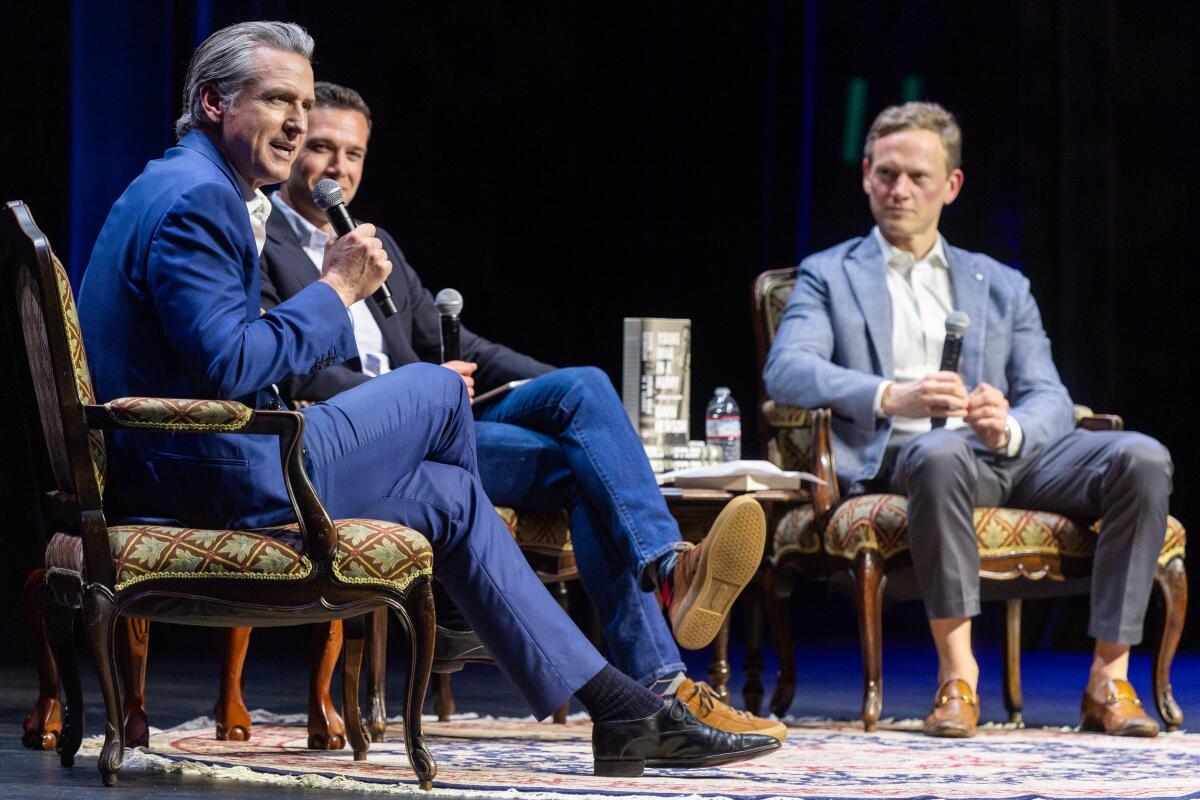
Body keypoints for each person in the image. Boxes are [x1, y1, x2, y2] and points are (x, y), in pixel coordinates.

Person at [77, 20, 779, 775]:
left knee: (449, 492)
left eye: (303, 103)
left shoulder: (189, 183)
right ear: (214, 103)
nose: (296, 122)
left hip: (219, 459)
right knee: (436, 393)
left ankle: (627, 713)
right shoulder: (198, 200)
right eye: (277, 99)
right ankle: (456, 613)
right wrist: (337, 288)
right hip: (213, 476)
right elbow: (229, 367)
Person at [253, 80, 783, 741]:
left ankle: (667, 589)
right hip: (367, 437)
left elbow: (465, 345)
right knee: (582, 471)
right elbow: (285, 368)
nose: (340, 168)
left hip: (445, 421)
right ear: (294, 142)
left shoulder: (371, 238)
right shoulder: (261, 237)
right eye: (324, 148)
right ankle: (663, 680)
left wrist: (577, 402)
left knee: (584, 394)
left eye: (354, 154)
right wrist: (420, 382)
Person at [763, 101, 1171, 738]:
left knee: (1142, 457)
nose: (900, 190)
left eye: (918, 177)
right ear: (866, 175)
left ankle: (1108, 681)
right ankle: (959, 677)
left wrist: (1006, 424)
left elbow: (1049, 396)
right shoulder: (828, 276)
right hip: (908, 457)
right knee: (939, 453)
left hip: (1007, 454)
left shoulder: (1003, 284)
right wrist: (889, 395)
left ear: (951, 186)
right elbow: (788, 370)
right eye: (887, 174)